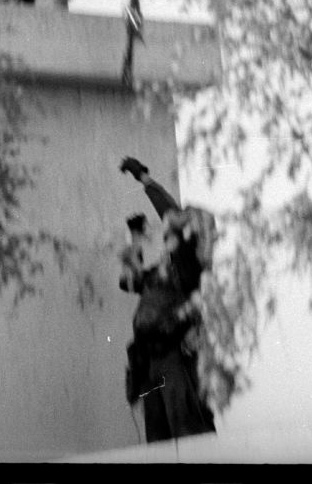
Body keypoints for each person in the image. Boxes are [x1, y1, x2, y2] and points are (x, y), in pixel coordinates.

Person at [117, 156, 217, 443]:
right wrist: (134, 239)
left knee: (188, 434)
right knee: (159, 440)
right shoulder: (163, 270)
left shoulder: (188, 267)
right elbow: (128, 281)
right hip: (150, 360)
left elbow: (170, 213)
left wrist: (145, 179)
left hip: (175, 358)